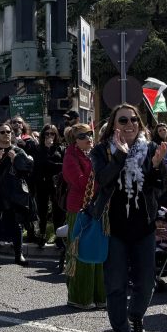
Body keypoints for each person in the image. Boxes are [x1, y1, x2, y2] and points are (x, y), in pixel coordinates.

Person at [89, 104, 167, 332]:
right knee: (116, 284)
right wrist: (120, 156)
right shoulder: (102, 150)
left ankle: (136, 316)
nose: (130, 123)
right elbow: (102, 180)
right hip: (113, 228)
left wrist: (157, 168)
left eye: (134, 119)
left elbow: (161, 187)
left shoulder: (152, 149)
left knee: (146, 283)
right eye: (123, 119)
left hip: (143, 227)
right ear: (114, 124)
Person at [62, 123, 105, 309]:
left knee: (98, 250)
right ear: (74, 140)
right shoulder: (70, 156)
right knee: (81, 252)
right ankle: (80, 297)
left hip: (98, 208)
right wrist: (96, 165)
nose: (88, 138)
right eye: (82, 136)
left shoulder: (95, 153)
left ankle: (100, 296)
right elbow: (80, 182)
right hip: (79, 208)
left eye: (90, 134)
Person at [0, 121, 34, 266]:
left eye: (8, 132)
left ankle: (19, 255)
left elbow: (27, 171)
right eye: (3, 132)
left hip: (13, 193)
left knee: (17, 224)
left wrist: (15, 160)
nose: (6, 134)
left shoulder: (18, 151)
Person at [32, 124, 65, 246]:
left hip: (56, 184)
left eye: (52, 133)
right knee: (42, 210)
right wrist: (46, 149)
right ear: (43, 135)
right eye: (47, 133)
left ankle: (59, 237)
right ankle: (42, 234)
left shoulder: (60, 148)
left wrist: (49, 163)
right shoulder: (38, 148)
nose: (49, 136)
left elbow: (62, 166)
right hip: (42, 183)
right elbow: (38, 164)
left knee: (58, 211)